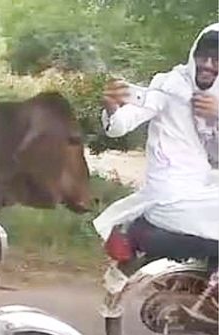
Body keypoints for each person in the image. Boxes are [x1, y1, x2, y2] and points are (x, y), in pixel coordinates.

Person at [94, 24, 219, 253]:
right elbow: (124, 123)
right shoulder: (170, 85)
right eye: (204, 57)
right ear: (194, 55)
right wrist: (113, 109)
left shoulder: (216, 97)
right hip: (172, 196)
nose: (208, 65)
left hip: (201, 186)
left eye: (217, 60)